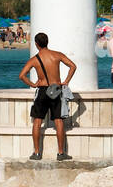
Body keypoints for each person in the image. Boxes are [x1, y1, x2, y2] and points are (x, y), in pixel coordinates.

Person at [18, 32, 76, 161]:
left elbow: (21, 75)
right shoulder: (57, 55)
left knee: (37, 121)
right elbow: (73, 66)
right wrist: (66, 81)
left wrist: (33, 84)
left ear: (36, 44)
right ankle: (61, 153)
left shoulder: (34, 59)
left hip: (42, 90)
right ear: (47, 42)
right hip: (56, 89)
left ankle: (37, 153)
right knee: (58, 121)